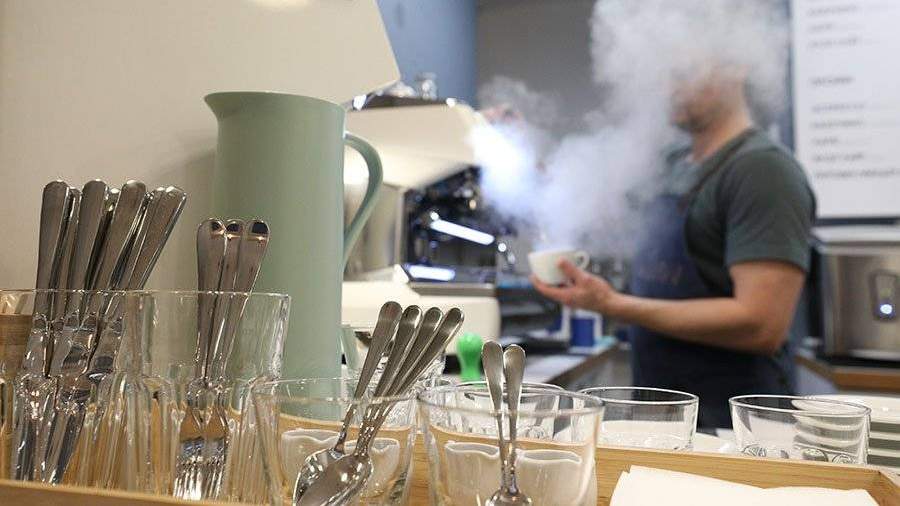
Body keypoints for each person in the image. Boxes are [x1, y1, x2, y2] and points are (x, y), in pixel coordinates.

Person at [532, 64, 817, 428]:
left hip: (735, 428)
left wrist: (613, 304)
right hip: (660, 417)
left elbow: (761, 324)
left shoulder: (763, 172)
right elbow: (595, 206)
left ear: (734, 67)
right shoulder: (672, 165)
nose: (669, 88)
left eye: (685, 72)